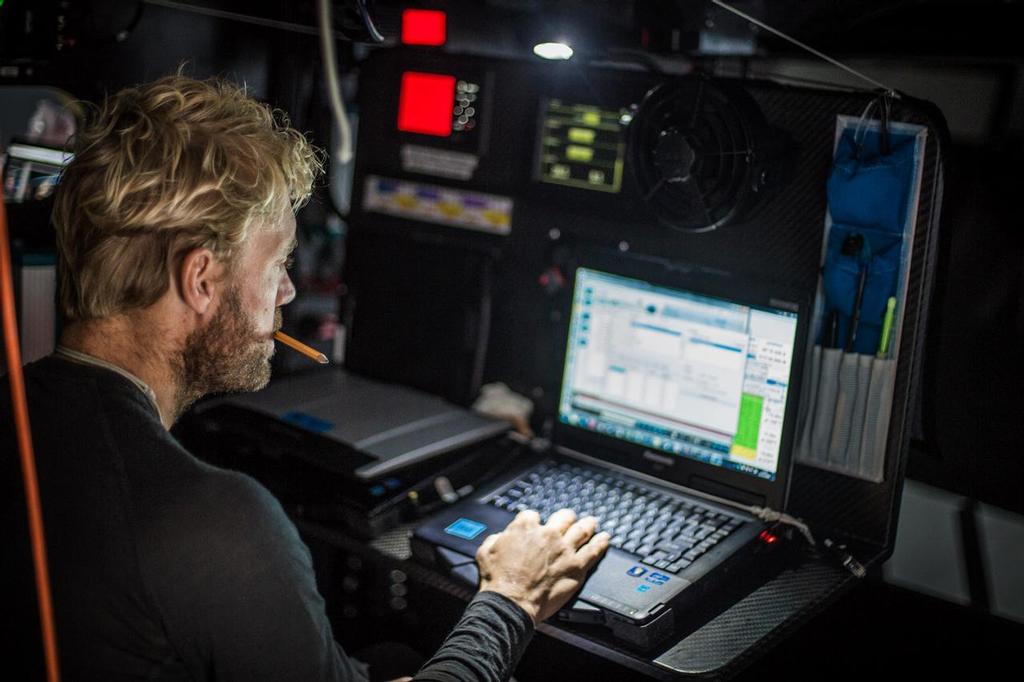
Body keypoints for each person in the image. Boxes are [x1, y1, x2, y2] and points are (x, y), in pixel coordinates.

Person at [0, 74, 609, 681]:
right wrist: (510, 600)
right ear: (202, 280)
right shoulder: (217, 525)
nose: (288, 291)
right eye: (278, 264)